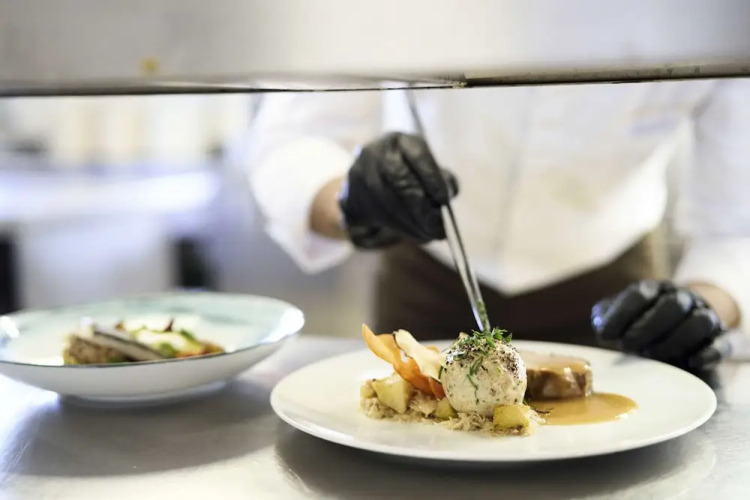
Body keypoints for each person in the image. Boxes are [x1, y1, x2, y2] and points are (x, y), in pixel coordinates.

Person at [247, 81, 750, 373]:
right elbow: (294, 136)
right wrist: (351, 199)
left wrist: (707, 304)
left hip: (618, 302)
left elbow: (738, 224)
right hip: (426, 283)